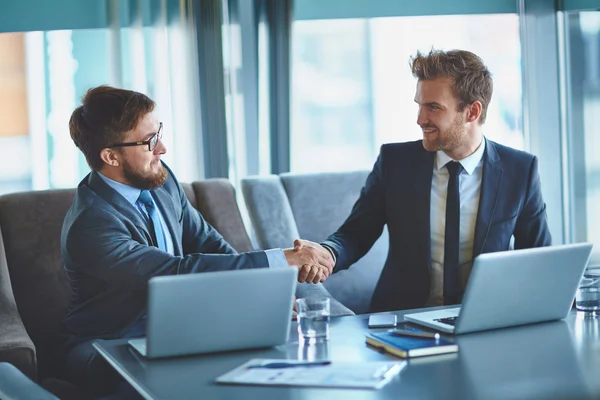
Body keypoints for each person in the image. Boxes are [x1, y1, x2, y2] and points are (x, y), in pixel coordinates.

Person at [60, 85, 334, 397]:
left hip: (180, 327)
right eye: (149, 141)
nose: (162, 147)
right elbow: (175, 271)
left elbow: (207, 243)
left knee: (279, 358)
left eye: (158, 132)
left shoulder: (160, 181)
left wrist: (261, 290)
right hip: (109, 342)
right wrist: (282, 259)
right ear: (110, 156)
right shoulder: (91, 225)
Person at [297, 49, 552, 313]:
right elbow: (356, 232)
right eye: (419, 105)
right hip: (402, 321)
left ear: (472, 111)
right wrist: (328, 253)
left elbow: (539, 261)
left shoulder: (520, 171)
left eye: (433, 107)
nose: (420, 119)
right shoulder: (395, 162)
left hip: (485, 321)